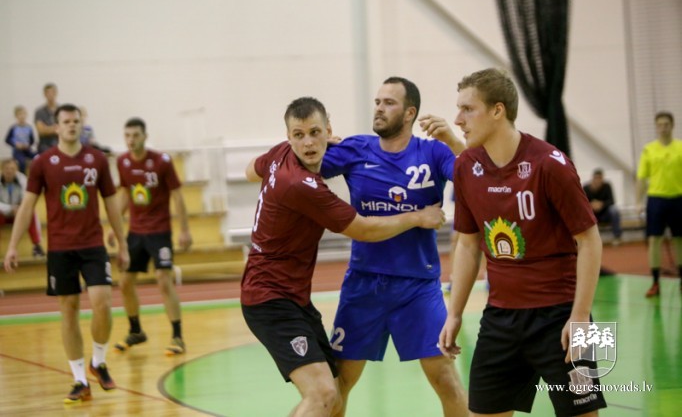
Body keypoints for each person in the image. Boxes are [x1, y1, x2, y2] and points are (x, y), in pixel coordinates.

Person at [241, 96, 446, 417]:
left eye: (314, 132)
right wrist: (418, 217)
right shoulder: (301, 185)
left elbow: (249, 171)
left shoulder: (279, 154)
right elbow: (364, 229)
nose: (308, 143)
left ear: (328, 130)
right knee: (322, 395)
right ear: (288, 136)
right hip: (270, 299)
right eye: (299, 135)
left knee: (332, 396)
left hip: (291, 296)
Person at [439, 68, 607, 416]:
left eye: (468, 109)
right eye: (458, 109)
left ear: (497, 111)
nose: (458, 120)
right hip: (500, 318)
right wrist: (454, 313)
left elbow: (590, 241)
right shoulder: (466, 166)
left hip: (563, 314)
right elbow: (468, 245)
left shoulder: (551, 164)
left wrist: (580, 317)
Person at [321, 77, 468, 417]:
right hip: (364, 284)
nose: (379, 108)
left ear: (409, 112)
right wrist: (315, 141)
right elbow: (303, 167)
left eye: (389, 103)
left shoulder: (433, 152)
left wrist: (452, 140)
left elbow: (476, 176)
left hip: (418, 287)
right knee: (339, 383)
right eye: (377, 101)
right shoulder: (356, 149)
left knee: (446, 380)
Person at [3, 104, 130, 404]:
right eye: (66, 121)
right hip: (60, 249)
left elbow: (111, 204)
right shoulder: (42, 162)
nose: (71, 125)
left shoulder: (97, 159)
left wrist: (123, 243)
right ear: (56, 127)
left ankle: (98, 361)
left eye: (75, 121)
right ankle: (79, 380)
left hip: (93, 246)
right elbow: (27, 206)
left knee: (102, 303)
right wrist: (12, 245)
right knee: (69, 310)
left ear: (81, 125)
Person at [111, 117, 192, 355]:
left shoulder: (161, 161)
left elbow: (177, 196)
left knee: (163, 279)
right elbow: (125, 194)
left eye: (136, 135)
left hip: (159, 232)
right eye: (127, 136)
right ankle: (136, 331)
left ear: (145, 137)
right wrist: (114, 228)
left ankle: (177, 337)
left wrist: (184, 230)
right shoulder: (123, 162)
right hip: (135, 232)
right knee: (125, 282)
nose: (131, 140)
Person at [636, 111, 682, 297]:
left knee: (679, 240)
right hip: (656, 200)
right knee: (654, 240)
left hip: (678, 198)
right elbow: (641, 178)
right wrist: (638, 201)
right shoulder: (649, 149)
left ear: (672, 126)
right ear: (656, 127)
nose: (663, 128)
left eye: (666, 124)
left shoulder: (680, 148)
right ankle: (655, 282)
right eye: (660, 125)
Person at [0, 158, 45, 257]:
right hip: (3, 213)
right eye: (7, 168)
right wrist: (10, 208)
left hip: (18, 214)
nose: (9, 171)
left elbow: (26, 199)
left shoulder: (22, 179)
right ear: (2, 169)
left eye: (12, 168)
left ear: (16, 169)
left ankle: (36, 246)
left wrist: (20, 209)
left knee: (30, 213)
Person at [583, 168, 622, 246]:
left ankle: (617, 237)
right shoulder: (586, 188)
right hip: (592, 215)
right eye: (596, 178)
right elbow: (582, 203)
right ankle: (585, 239)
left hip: (604, 214)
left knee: (614, 210)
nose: (598, 180)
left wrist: (602, 204)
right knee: (582, 213)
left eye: (600, 178)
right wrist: (591, 205)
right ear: (592, 178)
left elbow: (612, 201)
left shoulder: (607, 186)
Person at [5, 106, 37, 173]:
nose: (22, 116)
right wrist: (15, 145)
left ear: (26, 115)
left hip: (27, 149)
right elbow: (7, 140)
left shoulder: (29, 127)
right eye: (19, 114)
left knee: (37, 157)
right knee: (22, 162)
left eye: (23, 114)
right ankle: (22, 176)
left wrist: (28, 145)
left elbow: (32, 140)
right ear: (16, 116)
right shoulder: (13, 128)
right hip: (18, 150)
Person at [34, 83, 60, 153]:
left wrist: (47, 128)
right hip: (45, 146)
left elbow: (65, 128)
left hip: (60, 145)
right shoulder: (39, 112)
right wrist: (56, 128)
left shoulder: (61, 110)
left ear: (56, 93)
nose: (50, 95)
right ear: (44, 94)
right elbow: (41, 131)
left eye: (52, 92)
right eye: (48, 93)